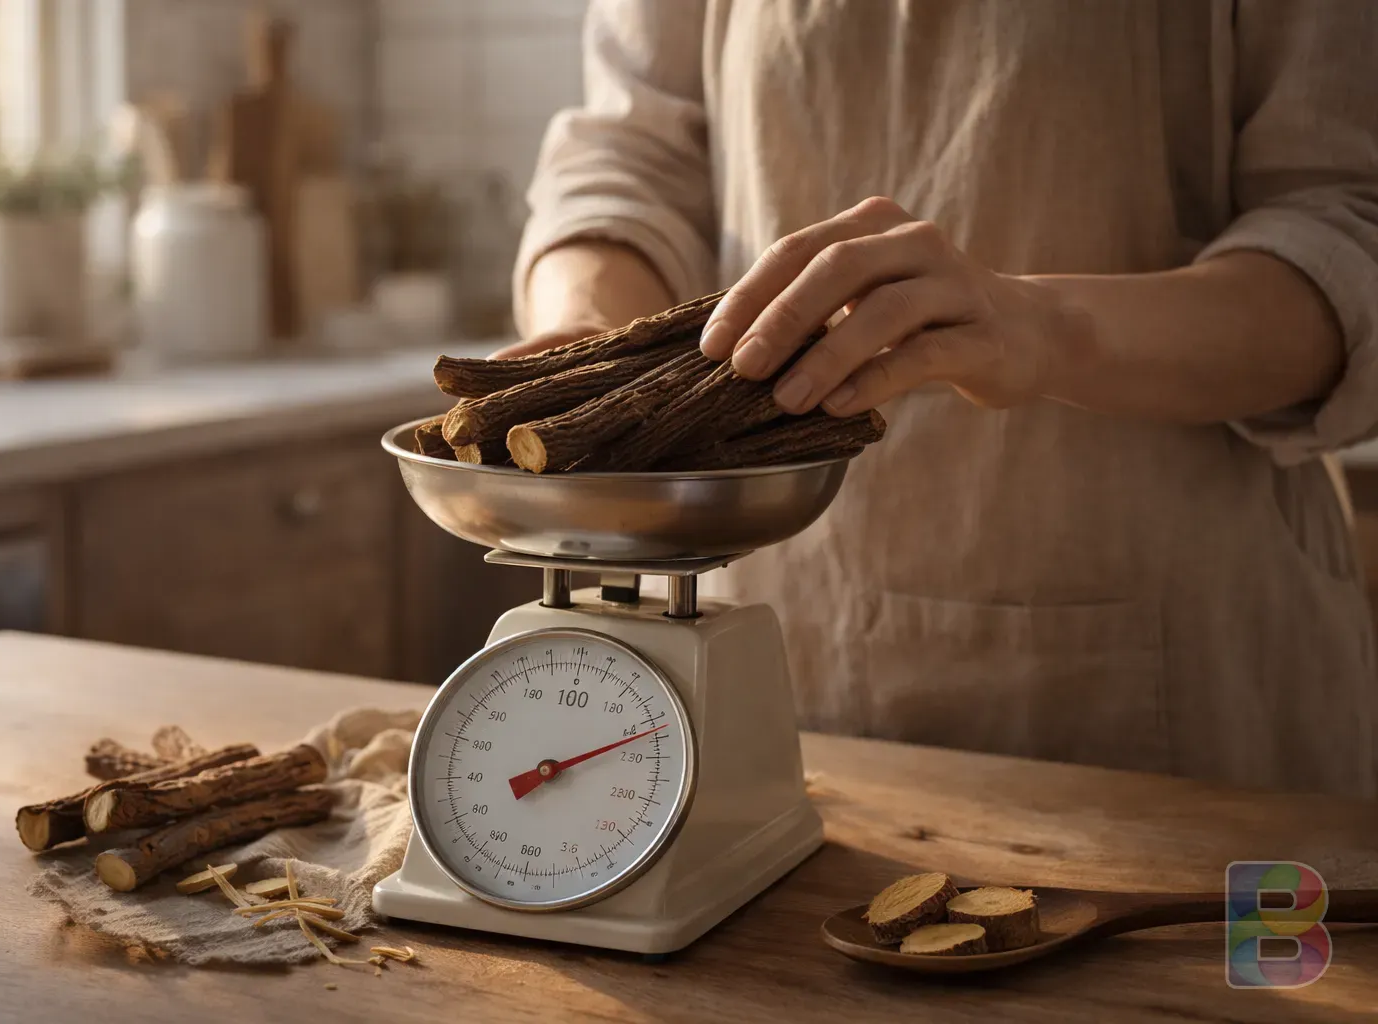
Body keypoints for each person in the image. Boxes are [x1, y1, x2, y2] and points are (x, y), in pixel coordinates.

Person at [502, 0, 1378, 797]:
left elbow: (1345, 235)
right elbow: (631, 156)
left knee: (1233, 971)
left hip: (1185, 677)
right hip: (783, 623)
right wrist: (589, 345)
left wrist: (1045, 324)